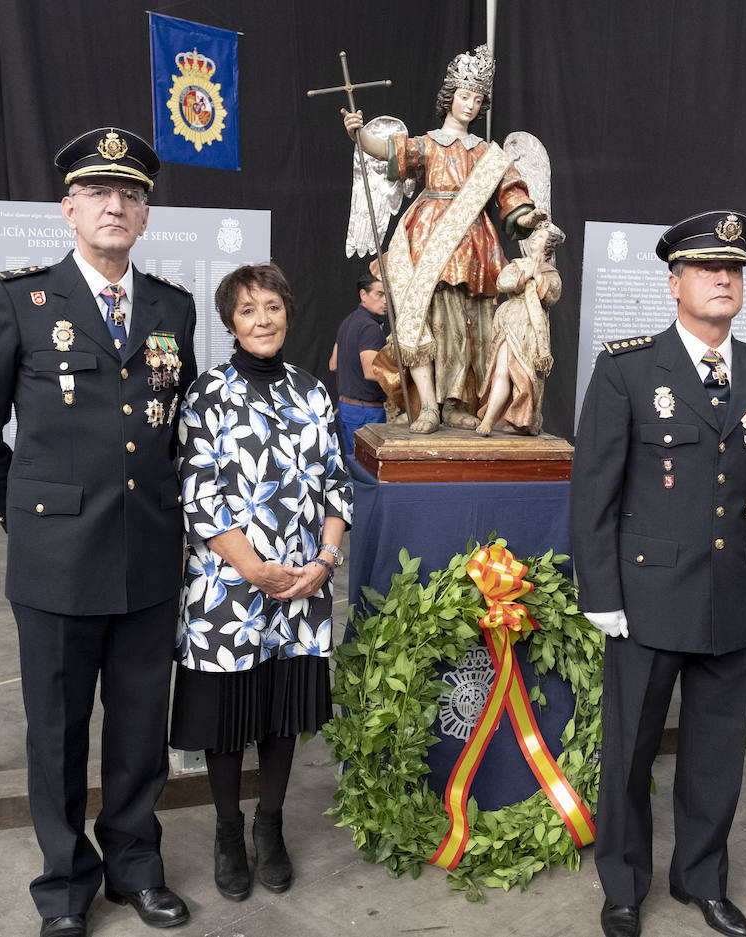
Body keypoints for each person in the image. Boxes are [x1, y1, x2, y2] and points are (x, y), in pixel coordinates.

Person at [0, 127, 195, 937]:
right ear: (69, 209)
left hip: (150, 553)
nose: (116, 204)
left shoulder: (172, 307)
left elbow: (172, 427)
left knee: (136, 733)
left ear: (147, 215)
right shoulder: (20, 300)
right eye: (98, 192)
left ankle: (135, 866)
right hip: (55, 561)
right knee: (55, 734)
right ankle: (63, 887)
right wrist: (26, 515)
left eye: (131, 194)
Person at [571, 210, 746, 937]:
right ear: (674, 283)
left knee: (716, 754)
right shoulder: (630, 366)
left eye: (733, 270)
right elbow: (595, 491)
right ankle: (623, 884)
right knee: (631, 751)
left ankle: (702, 877)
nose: (724, 279)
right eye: (709, 269)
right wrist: (600, 592)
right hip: (645, 598)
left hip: (733, 596)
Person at [170, 263, 352, 904]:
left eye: (272, 306)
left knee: (280, 715)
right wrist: (254, 569)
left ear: (288, 313)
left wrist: (323, 564)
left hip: (302, 590)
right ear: (230, 323)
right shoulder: (205, 395)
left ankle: (269, 830)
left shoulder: (313, 392)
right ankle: (227, 833)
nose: (263, 319)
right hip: (229, 593)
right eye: (248, 310)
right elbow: (198, 494)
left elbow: (337, 484)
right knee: (227, 721)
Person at [340, 43, 546, 433]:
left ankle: (456, 403)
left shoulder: (488, 153)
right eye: (464, 96)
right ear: (449, 98)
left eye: (477, 99)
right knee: (426, 319)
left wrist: (528, 214)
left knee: (467, 325)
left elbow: (510, 194)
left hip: (474, 244)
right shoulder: (429, 143)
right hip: (429, 234)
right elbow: (386, 151)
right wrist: (358, 134)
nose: (469, 105)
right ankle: (428, 405)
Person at [475, 221, 564, 437]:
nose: (535, 238)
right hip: (510, 320)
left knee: (526, 375)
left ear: (549, 244)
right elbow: (502, 283)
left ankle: (521, 419)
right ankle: (488, 419)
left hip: (533, 327)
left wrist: (539, 276)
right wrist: (525, 275)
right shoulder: (517, 264)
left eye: (541, 237)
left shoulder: (551, 273)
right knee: (501, 370)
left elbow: (552, 296)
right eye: (534, 236)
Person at [328, 272, 389, 453]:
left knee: (354, 469)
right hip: (366, 412)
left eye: (388, 294)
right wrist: (403, 379)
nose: (386, 300)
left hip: (347, 408)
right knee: (367, 472)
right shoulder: (371, 328)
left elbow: (333, 364)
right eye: (380, 294)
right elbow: (371, 371)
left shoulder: (348, 321)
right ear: (363, 295)